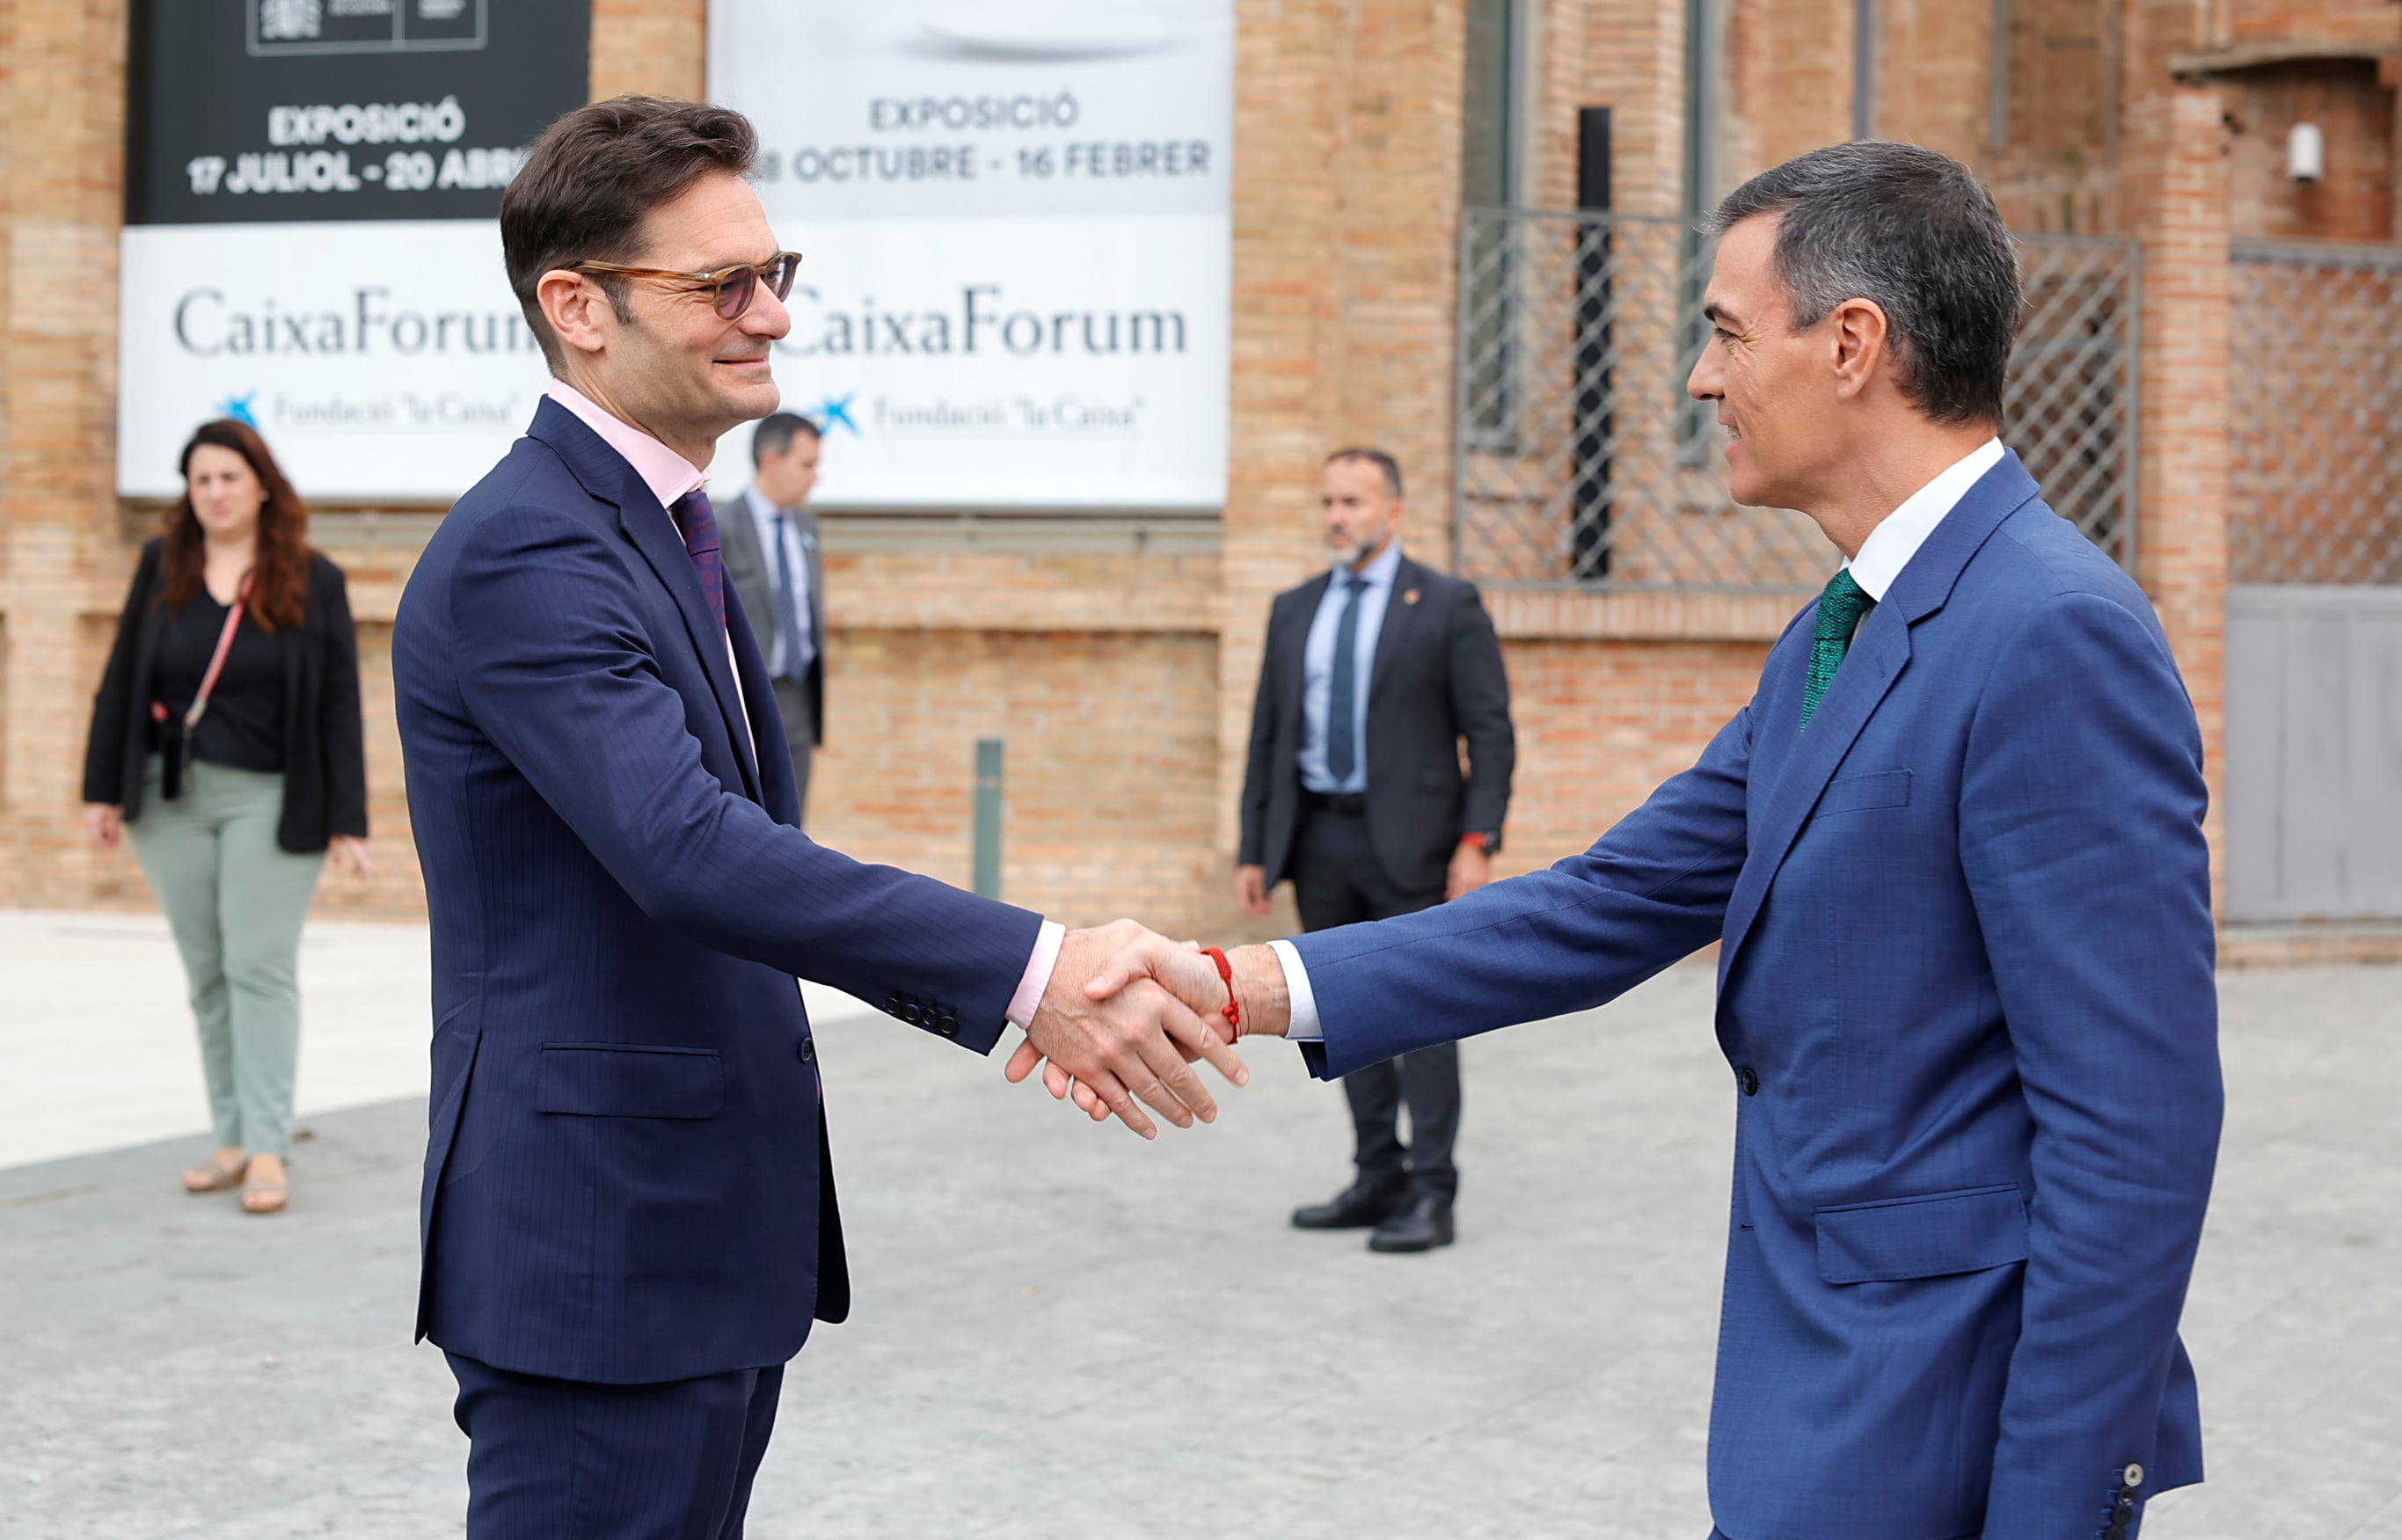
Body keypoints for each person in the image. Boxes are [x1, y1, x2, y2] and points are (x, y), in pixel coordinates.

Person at [1048, 142, 2223, 1539]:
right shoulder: (1840, 629)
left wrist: (2055, 1511)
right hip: (1814, 1421)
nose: (1697, 378)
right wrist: (1239, 985)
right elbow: (1603, 902)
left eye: (1725, 332)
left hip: (1942, 1432)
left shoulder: (2051, 634)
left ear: (1852, 344)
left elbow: (2134, 1133)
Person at [391, 96, 1243, 1538]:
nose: (770, 316)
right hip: (595, 1257)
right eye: (719, 284)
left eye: (777, 272)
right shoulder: (529, 549)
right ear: (576, 306)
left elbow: (739, 865)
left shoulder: (668, 526)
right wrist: (1036, 973)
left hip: (697, 1237)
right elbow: (689, 853)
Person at [80, 418, 372, 1216]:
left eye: (228, 477)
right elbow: (121, 681)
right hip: (168, 797)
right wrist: (102, 790)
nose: (213, 492)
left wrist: (349, 816)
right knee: (208, 974)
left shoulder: (314, 580)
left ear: (261, 486)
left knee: (258, 967)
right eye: (200, 479)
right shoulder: (160, 566)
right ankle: (233, 1136)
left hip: (271, 799)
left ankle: (270, 1143)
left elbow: (340, 705)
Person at [1236, 447, 1513, 1252]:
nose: (1336, 516)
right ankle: (1374, 1173)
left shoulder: (1447, 603)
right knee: (1335, 1013)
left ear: (1392, 511)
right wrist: (1256, 845)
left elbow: (1488, 733)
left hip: (1414, 845)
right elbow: (1266, 737)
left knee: (1422, 1010)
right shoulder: (1293, 608)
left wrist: (1476, 841)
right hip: (1317, 837)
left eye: (1353, 501)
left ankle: (1432, 1190)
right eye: (1328, 500)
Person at [715, 412, 823, 822]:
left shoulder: (807, 526)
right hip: (745, 697)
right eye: (807, 464)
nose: (816, 477)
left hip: (797, 695)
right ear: (772, 461)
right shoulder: (721, 526)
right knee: (747, 814)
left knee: (794, 817)